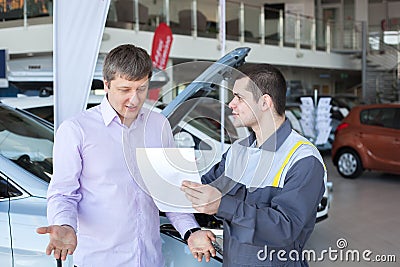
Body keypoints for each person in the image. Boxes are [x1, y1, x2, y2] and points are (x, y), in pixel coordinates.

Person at [36, 44, 216, 266]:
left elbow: (170, 193)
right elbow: (63, 194)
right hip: (99, 261)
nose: (134, 99)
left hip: (151, 260)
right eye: (125, 89)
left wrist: (191, 231)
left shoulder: (159, 125)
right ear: (107, 84)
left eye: (141, 88)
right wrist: (65, 225)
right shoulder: (76, 130)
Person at [182, 63, 326, 266]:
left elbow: (285, 228)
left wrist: (222, 205)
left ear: (265, 102)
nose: (231, 104)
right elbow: (203, 188)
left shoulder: (302, 158)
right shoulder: (237, 151)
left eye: (239, 98)